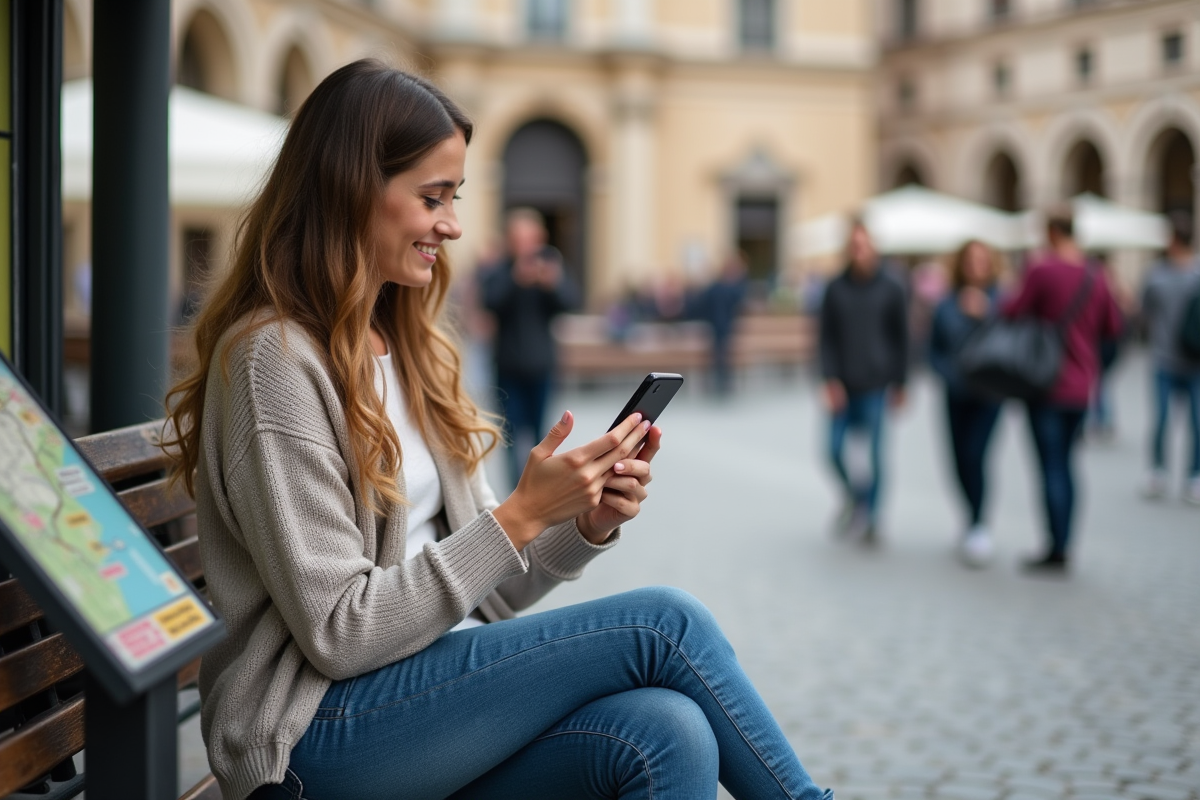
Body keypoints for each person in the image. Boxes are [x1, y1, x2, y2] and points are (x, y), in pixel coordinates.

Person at [164, 60, 832, 800]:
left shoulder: (405, 346)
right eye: (432, 197)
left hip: (422, 709)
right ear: (352, 190)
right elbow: (339, 632)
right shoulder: (273, 360)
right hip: (313, 734)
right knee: (665, 626)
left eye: (455, 197)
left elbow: (490, 597)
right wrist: (518, 516)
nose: (452, 224)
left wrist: (578, 521)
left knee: (666, 732)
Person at [1001, 213, 1123, 573]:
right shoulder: (1096, 273)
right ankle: (1066, 541)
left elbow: (1012, 310)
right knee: (1068, 464)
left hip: (1045, 383)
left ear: (1051, 232)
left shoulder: (1042, 270)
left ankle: (1056, 547)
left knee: (1050, 466)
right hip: (1082, 385)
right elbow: (1114, 325)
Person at [818, 221, 909, 543]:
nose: (859, 251)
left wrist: (901, 383)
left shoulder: (892, 287)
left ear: (873, 247)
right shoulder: (835, 288)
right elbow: (825, 338)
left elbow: (902, 338)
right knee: (832, 451)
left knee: (876, 456)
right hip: (842, 384)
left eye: (864, 244)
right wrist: (828, 379)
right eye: (854, 245)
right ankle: (855, 496)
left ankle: (872, 517)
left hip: (877, 384)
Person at [480, 208, 580, 489]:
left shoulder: (550, 269)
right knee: (510, 437)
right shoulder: (500, 269)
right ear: (510, 240)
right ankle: (516, 493)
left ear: (540, 238)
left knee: (542, 434)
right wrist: (515, 279)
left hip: (541, 366)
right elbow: (489, 301)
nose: (524, 244)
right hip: (508, 367)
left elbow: (570, 301)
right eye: (518, 238)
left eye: (530, 237)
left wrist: (552, 284)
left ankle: (538, 489)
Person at [929, 241, 1005, 567]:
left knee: (976, 456)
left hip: (989, 394)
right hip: (956, 393)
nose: (976, 266)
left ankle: (979, 523)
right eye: (971, 260)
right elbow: (933, 349)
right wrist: (947, 375)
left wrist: (986, 313)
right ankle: (969, 516)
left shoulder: (1001, 301)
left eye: (982, 260)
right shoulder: (947, 303)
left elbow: (1010, 340)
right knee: (958, 461)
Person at [1140, 212, 1200, 505]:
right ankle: (1175, 474)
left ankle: (1173, 474)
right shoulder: (1162, 274)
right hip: (1169, 359)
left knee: (1187, 422)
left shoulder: (1157, 274)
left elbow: (1144, 311)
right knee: (1169, 420)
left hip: (1181, 360)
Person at [701, 252, 749, 395]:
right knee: (722, 345)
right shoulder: (719, 286)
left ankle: (722, 379)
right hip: (721, 327)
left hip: (723, 328)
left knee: (722, 345)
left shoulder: (736, 286)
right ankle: (722, 379)